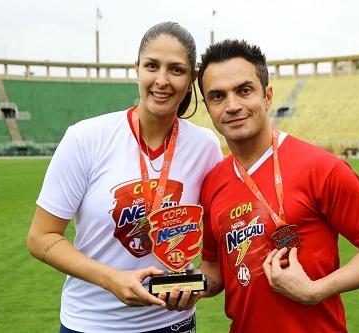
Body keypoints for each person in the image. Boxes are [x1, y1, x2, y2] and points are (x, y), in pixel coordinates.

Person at [192, 40, 359, 332]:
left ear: (267, 96)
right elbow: (214, 268)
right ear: (209, 107)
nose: (232, 105)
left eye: (244, 90)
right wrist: (185, 286)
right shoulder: (213, 181)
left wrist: (317, 289)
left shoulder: (322, 168)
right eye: (217, 96)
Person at [27, 22, 223, 333]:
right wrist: (111, 279)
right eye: (152, 66)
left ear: (191, 79)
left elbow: (213, 248)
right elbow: (41, 238)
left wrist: (199, 285)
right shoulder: (86, 138)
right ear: (136, 69)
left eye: (176, 69)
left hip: (173, 322)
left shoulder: (206, 146)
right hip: (92, 323)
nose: (161, 80)